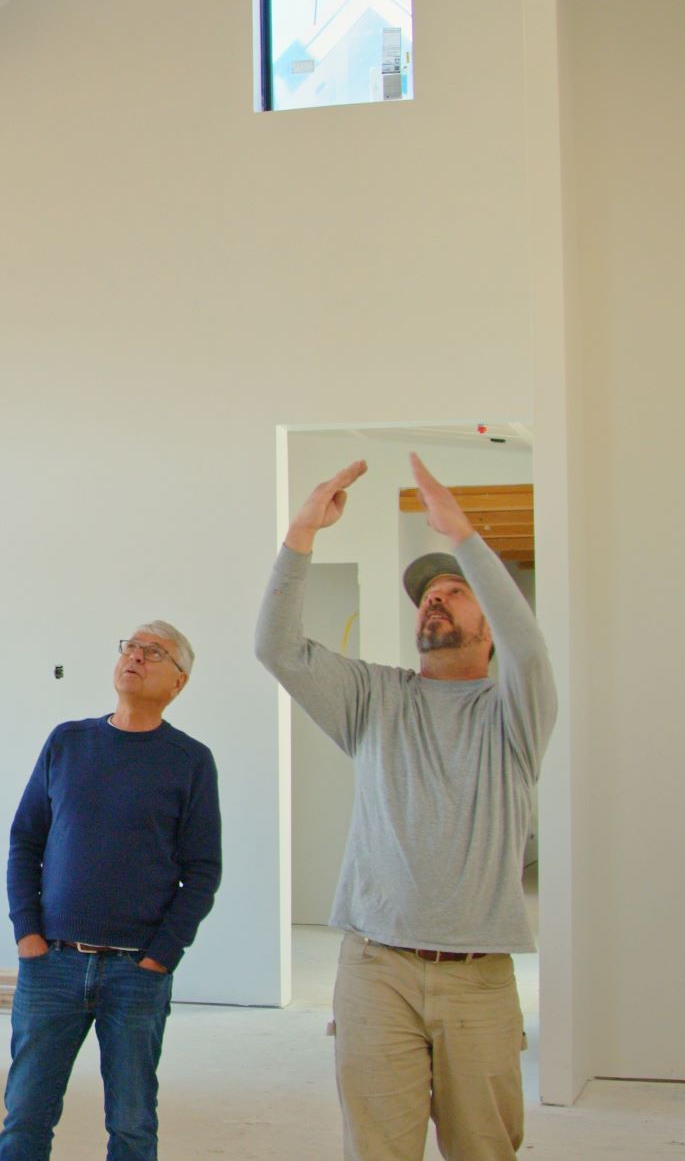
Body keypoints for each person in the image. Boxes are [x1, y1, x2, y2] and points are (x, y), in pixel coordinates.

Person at [255, 454, 557, 1161]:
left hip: (478, 975)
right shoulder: (374, 699)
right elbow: (276, 648)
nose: (434, 599)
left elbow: (532, 652)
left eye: (455, 592)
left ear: (490, 619)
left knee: (485, 1149)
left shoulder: (514, 714)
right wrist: (301, 534)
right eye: (428, 595)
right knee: (378, 1150)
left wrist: (464, 540)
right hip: (375, 968)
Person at [0, 621, 222, 1161]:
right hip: (52, 964)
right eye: (132, 646)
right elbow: (26, 840)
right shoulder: (68, 741)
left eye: (155, 652)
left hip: (135, 972)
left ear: (179, 682)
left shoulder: (189, 761)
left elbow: (203, 871)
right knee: (26, 1115)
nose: (137, 656)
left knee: (132, 1123)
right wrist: (27, 932)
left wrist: (162, 956)